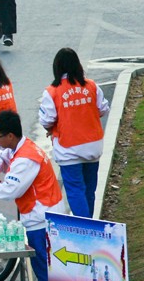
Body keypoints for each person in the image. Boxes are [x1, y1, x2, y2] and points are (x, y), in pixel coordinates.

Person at [0, 110, 65, 281]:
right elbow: (1, 156)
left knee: (44, 273)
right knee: (45, 270)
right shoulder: (22, 147)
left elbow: (10, 190)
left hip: (40, 220)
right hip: (44, 214)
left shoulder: (25, 160)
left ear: (10, 136)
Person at [38, 47, 110, 218]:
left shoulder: (52, 91)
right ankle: (91, 221)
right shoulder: (91, 85)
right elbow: (103, 108)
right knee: (90, 188)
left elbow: (47, 119)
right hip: (93, 145)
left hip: (68, 148)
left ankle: (85, 226)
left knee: (75, 189)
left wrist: (53, 127)